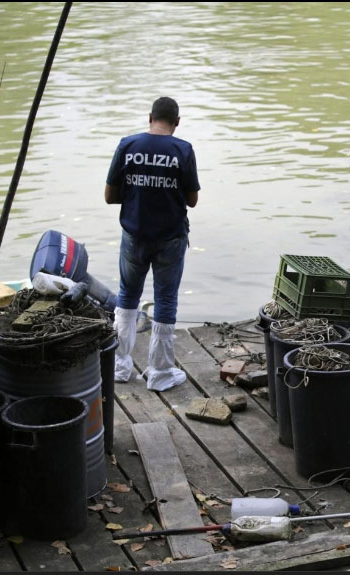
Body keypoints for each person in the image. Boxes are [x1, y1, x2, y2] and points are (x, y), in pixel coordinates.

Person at [105, 97, 200, 391]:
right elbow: (192, 200)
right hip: (170, 239)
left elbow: (110, 196)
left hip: (134, 236)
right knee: (166, 299)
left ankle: (119, 368)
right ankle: (159, 373)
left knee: (127, 296)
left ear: (150, 117)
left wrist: (137, 193)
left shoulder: (128, 146)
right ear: (177, 122)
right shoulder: (182, 150)